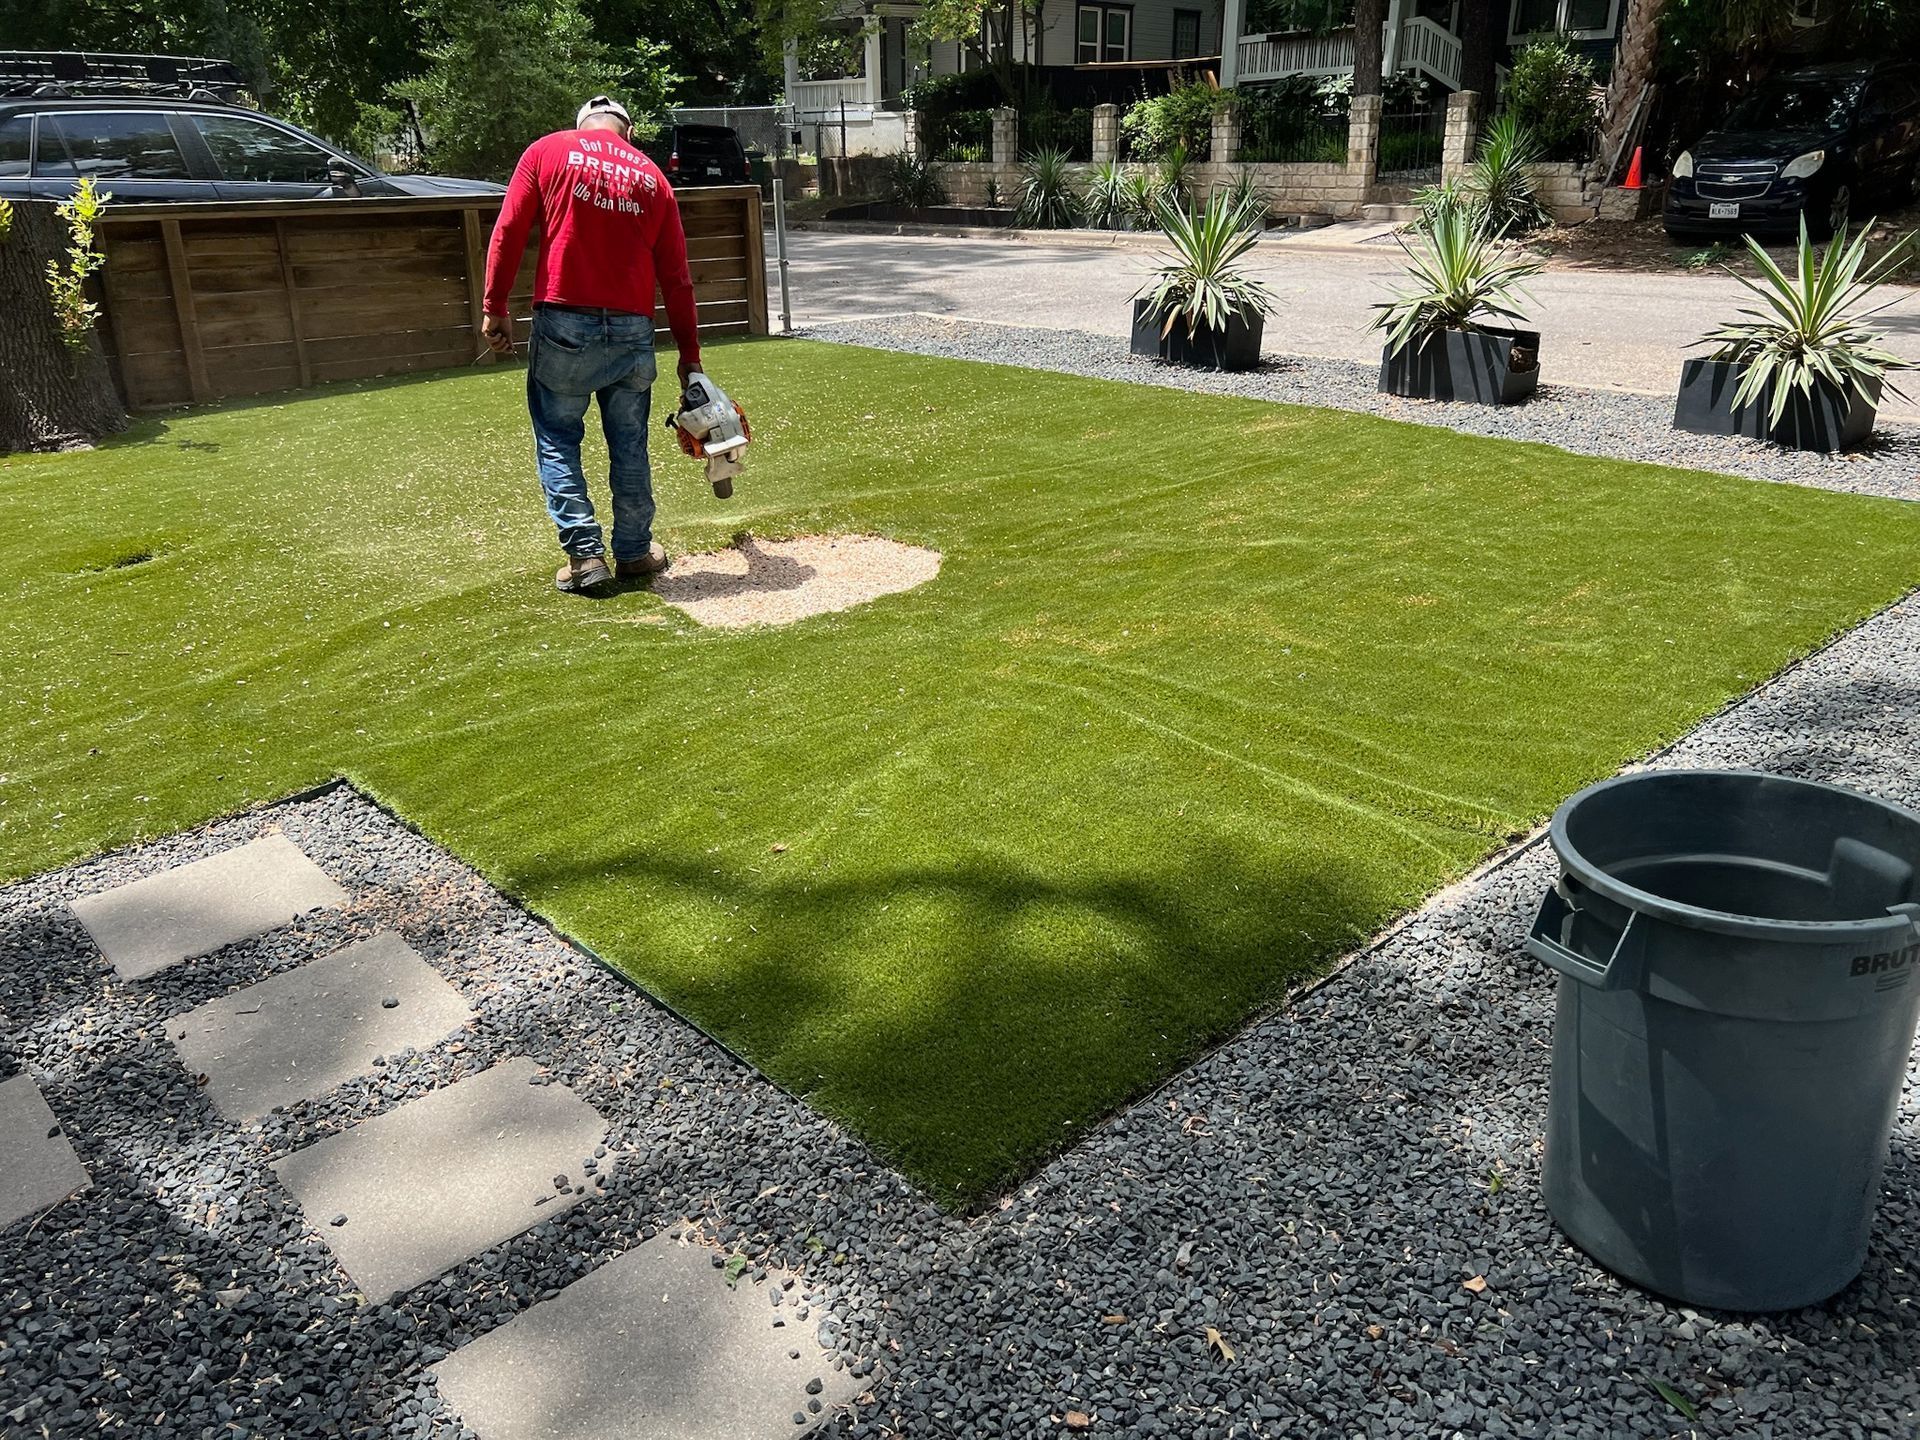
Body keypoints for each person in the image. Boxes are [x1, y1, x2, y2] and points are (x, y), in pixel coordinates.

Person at [482, 95, 701, 593]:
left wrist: (494, 306)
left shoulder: (547, 150)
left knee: (558, 437)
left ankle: (584, 558)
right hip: (632, 327)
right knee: (629, 442)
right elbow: (677, 278)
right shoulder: (653, 177)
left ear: (582, 124)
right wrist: (689, 358)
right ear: (627, 131)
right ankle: (635, 551)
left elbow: (509, 230)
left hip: (564, 320)